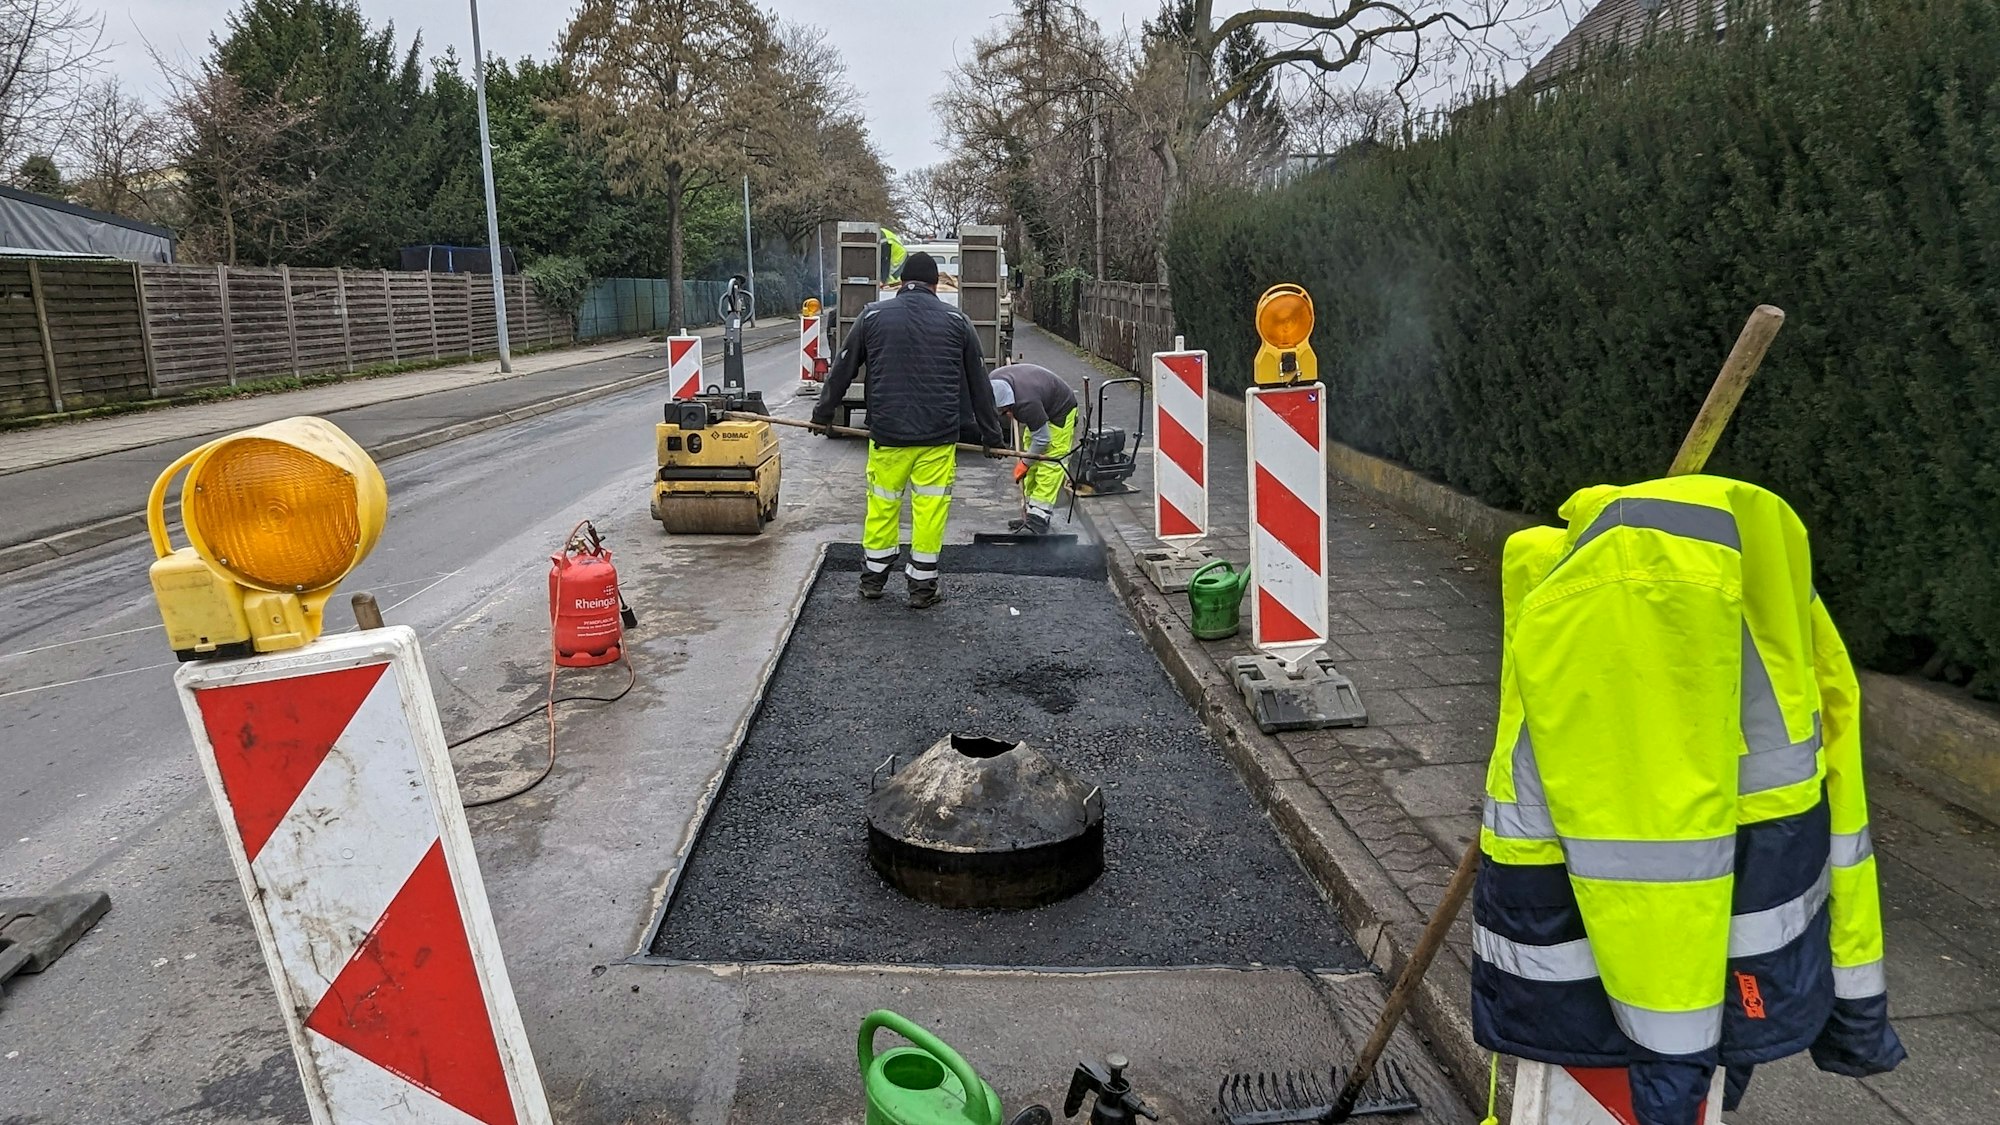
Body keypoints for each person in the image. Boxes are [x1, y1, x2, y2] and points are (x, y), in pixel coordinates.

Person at [1473, 475, 1903, 1125]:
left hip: (1575, 950)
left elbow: (1654, 873)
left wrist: (1671, 1084)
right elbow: (1837, 741)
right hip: (1761, 912)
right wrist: (1856, 1016)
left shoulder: (1595, 591)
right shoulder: (1766, 560)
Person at [812, 251, 1005, 608]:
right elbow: (980, 383)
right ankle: (922, 588)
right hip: (938, 437)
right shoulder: (957, 321)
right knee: (929, 511)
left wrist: (823, 414)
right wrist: (992, 437)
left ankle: (873, 579)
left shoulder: (872, 316)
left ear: (901, 282)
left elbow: (843, 366)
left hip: (887, 434)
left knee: (883, 506)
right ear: (935, 285)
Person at [988, 363, 1077, 535]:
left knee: (1049, 462)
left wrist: (1025, 463)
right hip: (1040, 404)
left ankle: (1039, 517)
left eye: (1007, 411)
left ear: (1011, 403)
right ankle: (1030, 514)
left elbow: (1043, 440)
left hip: (1059, 411)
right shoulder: (990, 383)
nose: (1007, 415)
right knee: (1031, 454)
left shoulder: (1026, 403)